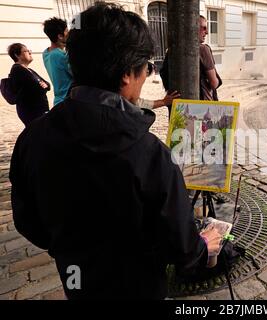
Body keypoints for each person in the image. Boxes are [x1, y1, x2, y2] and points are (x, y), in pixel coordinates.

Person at [10, 2, 221, 300]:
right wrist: (204, 245)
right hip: (139, 286)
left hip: (77, 281)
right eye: (146, 67)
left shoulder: (32, 138)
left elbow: (29, 222)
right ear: (125, 74)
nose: (147, 75)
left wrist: (73, 246)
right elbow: (182, 247)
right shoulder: (150, 156)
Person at [7, 43, 51, 127]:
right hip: (31, 110)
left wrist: (44, 85)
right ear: (17, 55)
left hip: (38, 109)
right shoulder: (17, 70)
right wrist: (42, 86)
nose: (30, 52)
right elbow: (36, 88)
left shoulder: (28, 69)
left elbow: (47, 85)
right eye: (26, 51)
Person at [43, 17, 73, 106]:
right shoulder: (62, 55)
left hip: (58, 101)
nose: (68, 34)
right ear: (60, 36)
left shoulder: (46, 53)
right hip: (68, 101)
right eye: (66, 31)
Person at [199, 15, 222, 101]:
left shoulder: (172, 49)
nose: (207, 32)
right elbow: (214, 83)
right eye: (204, 28)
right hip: (202, 104)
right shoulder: (203, 49)